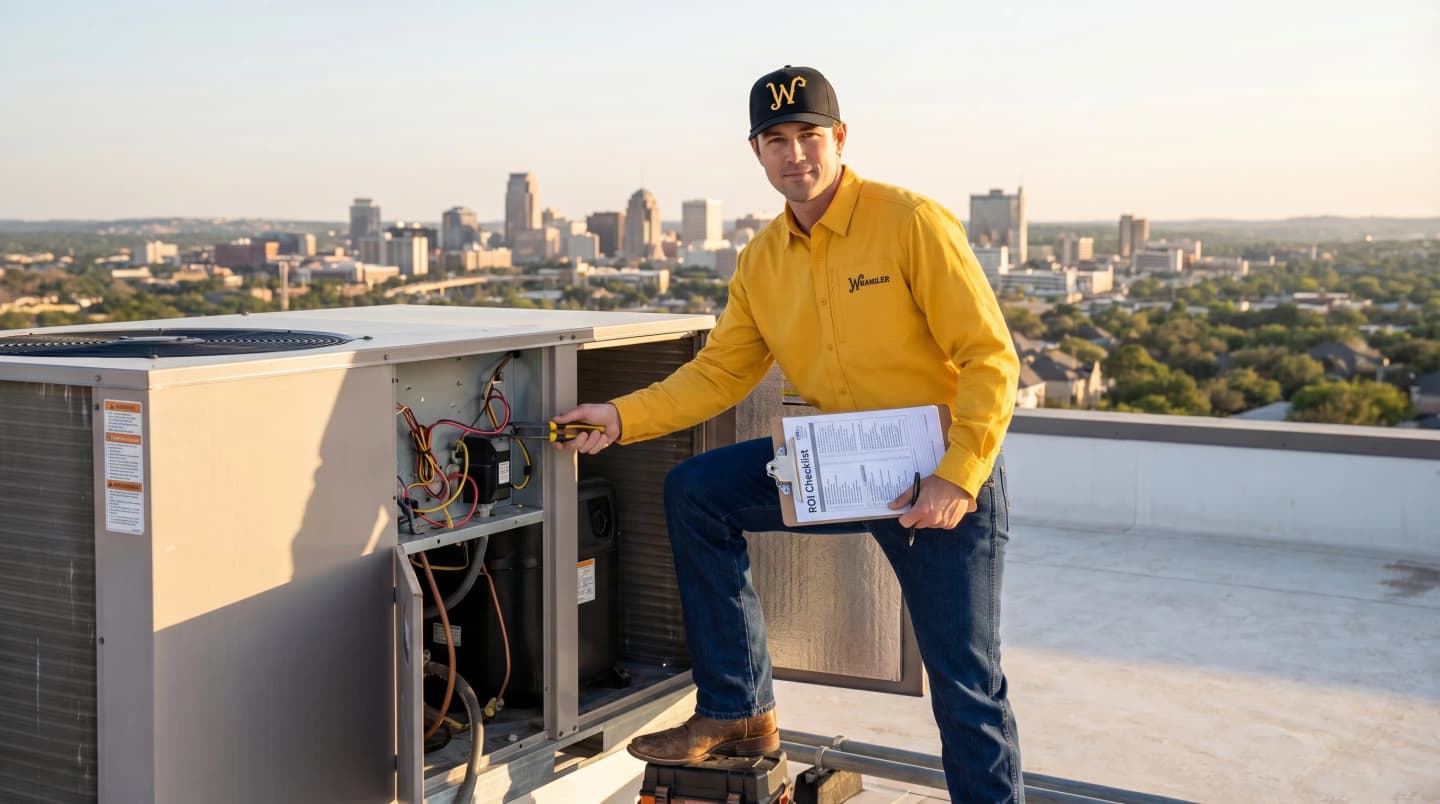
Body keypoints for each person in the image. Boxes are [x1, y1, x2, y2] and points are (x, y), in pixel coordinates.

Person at [554, 65, 1023, 802]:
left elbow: (991, 357)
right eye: (776, 140)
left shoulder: (909, 222)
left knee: (966, 687)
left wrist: (958, 476)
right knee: (697, 493)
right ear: (757, 153)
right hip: (841, 466)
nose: (794, 154)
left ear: (839, 138)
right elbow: (718, 376)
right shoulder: (763, 260)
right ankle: (739, 709)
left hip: (940, 478)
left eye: (809, 135)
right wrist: (619, 418)